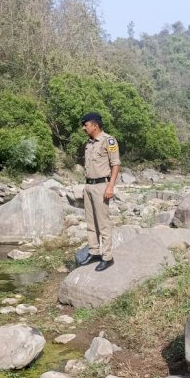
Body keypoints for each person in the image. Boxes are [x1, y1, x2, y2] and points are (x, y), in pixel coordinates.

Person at [79, 112, 120, 272]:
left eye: (86, 125)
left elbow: (115, 164)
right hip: (88, 186)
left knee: (103, 223)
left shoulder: (108, 140)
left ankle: (107, 257)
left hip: (101, 185)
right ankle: (94, 251)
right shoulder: (89, 143)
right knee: (90, 222)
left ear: (95, 125)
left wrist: (110, 186)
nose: (84, 128)